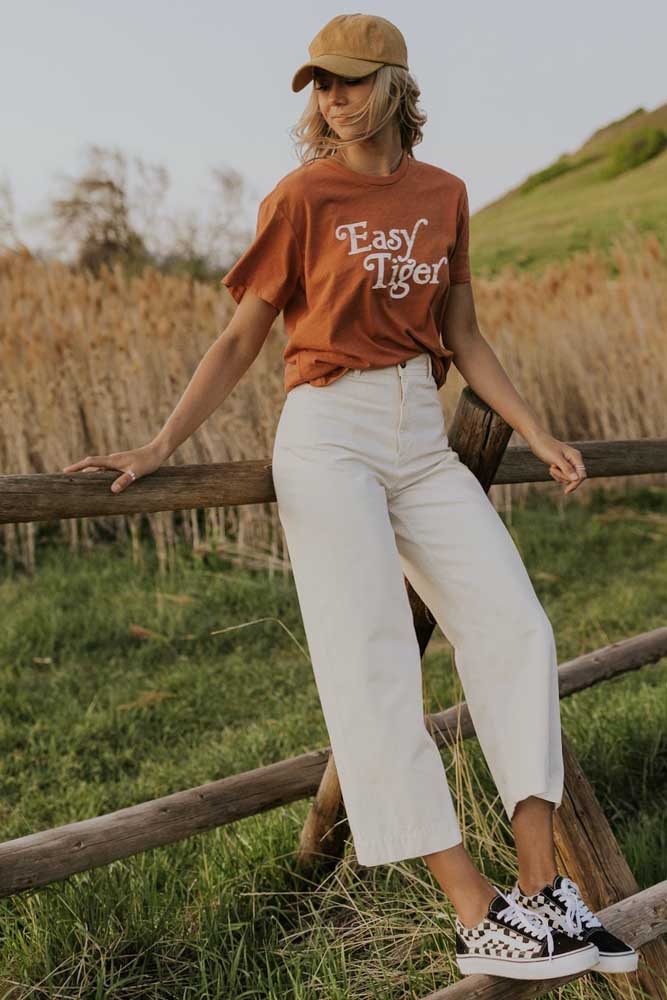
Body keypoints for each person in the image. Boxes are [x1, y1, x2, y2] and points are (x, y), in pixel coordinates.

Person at [63, 11, 638, 984]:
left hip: (421, 434)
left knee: (517, 629)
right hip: (328, 437)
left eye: (348, 81)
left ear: (395, 88)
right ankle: (474, 910)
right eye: (318, 85)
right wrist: (164, 439)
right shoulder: (300, 199)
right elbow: (243, 336)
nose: (330, 99)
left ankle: (543, 895)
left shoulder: (444, 195)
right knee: (373, 669)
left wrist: (535, 429)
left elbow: (462, 330)